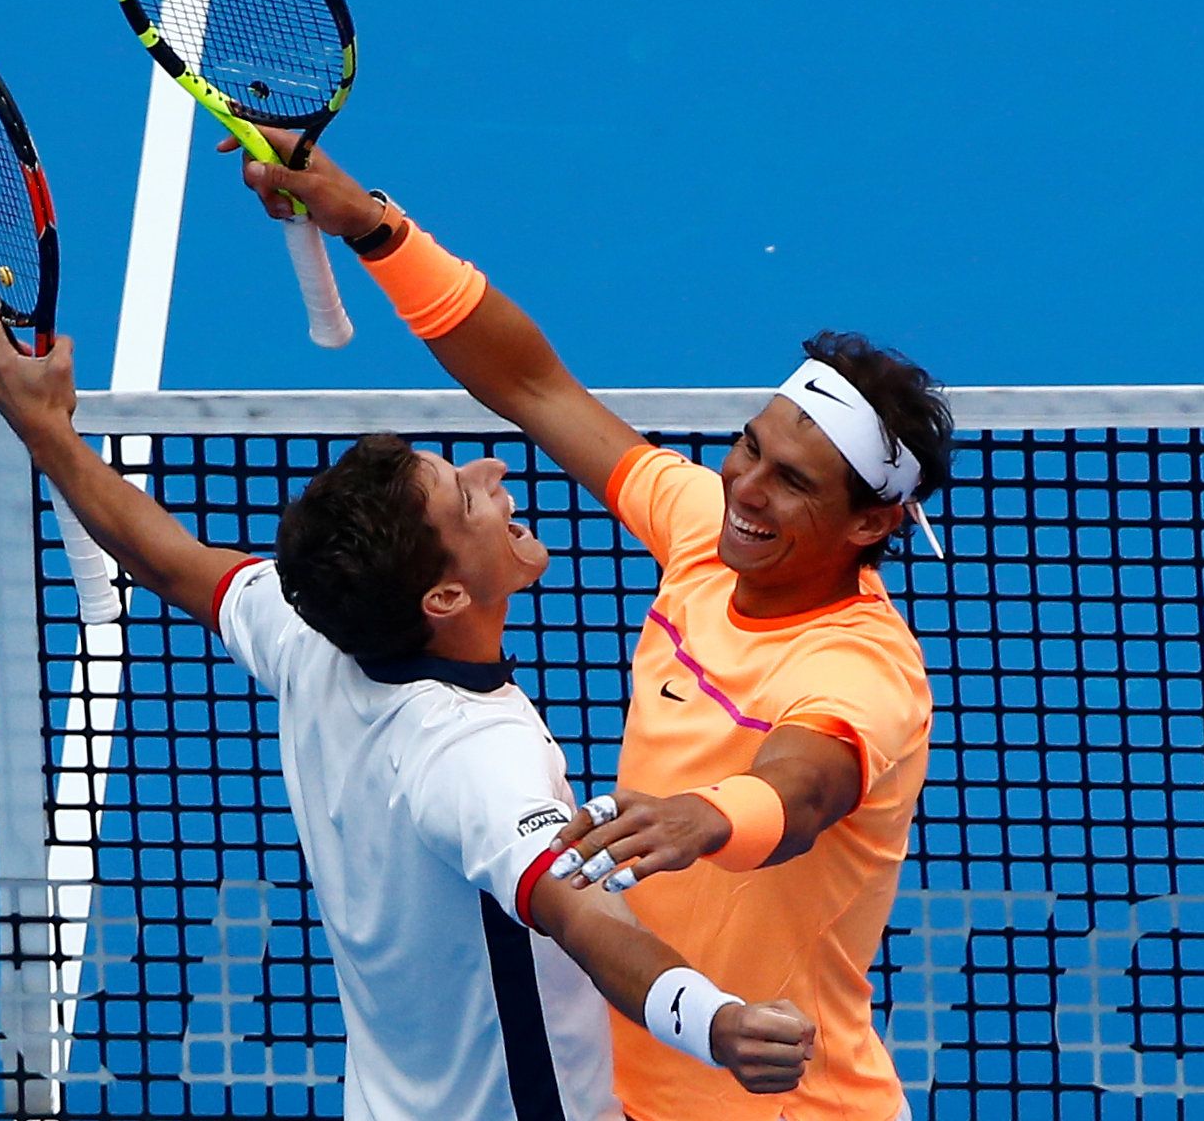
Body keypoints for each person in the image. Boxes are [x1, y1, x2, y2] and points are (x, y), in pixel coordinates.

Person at [227, 138, 955, 1121]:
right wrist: (374, 225)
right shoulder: (703, 525)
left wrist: (710, 813)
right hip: (625, 1081)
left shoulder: (864, 669)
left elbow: (808, 783)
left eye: (793, 480)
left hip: (780, 1102)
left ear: (869, 523)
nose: (745, 484)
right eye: (751, 445)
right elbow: (534, 386)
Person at [0, 287, 819, 1121]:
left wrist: (46, 429)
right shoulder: (475, 756)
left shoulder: (311, 634)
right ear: (444, 599)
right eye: (466, 497)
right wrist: (717, 1022)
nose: (494, 470)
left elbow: (168, 561)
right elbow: (584, 921)